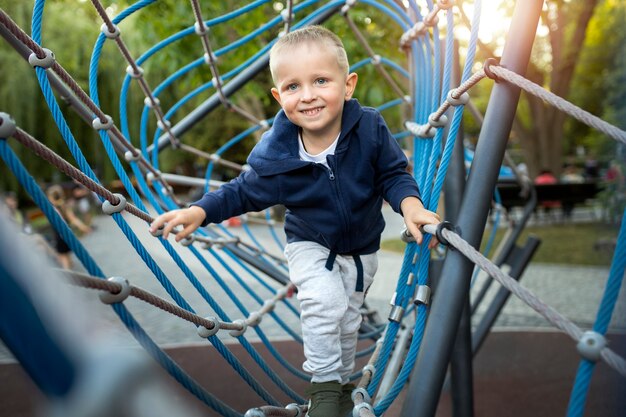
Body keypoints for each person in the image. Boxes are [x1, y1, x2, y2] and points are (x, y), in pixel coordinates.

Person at [149, 25, 440, 417]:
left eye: (321, 80)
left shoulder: (369, 128)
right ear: (277, 95)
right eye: (292, 86)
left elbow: (393, 175)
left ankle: (337, 385)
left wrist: (411, 207)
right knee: (325, 303)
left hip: (363, 248)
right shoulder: (278, 155)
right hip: (310, 244)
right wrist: (199, 211)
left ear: (348, 84)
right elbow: (241, 191)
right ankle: (321, 389)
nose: (307, 95)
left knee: (349, 320)